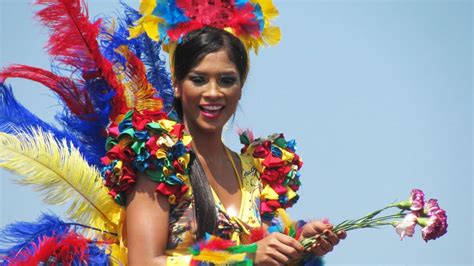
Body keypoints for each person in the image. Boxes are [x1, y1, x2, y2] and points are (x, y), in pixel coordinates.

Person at [124, 26, 346, 265]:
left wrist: (300, 244)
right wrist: (244, 257)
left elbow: (261, 249)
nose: (213, 92)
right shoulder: (159, 164)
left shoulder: (258, 171)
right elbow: (143, 261)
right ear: (177, 85)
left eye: (226, 80)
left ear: (240, 88)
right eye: (199, 80)